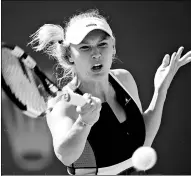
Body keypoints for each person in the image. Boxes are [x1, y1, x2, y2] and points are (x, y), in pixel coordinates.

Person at [28, 9, 191, 175]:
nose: (96, 53)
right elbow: (66, 155)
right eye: (85, 47)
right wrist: (84, 123)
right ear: (70, 55)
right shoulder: (63, 105)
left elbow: (142, 142)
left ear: (113, 48)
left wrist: (160, 89)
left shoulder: (125, 79)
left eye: (102, 44)